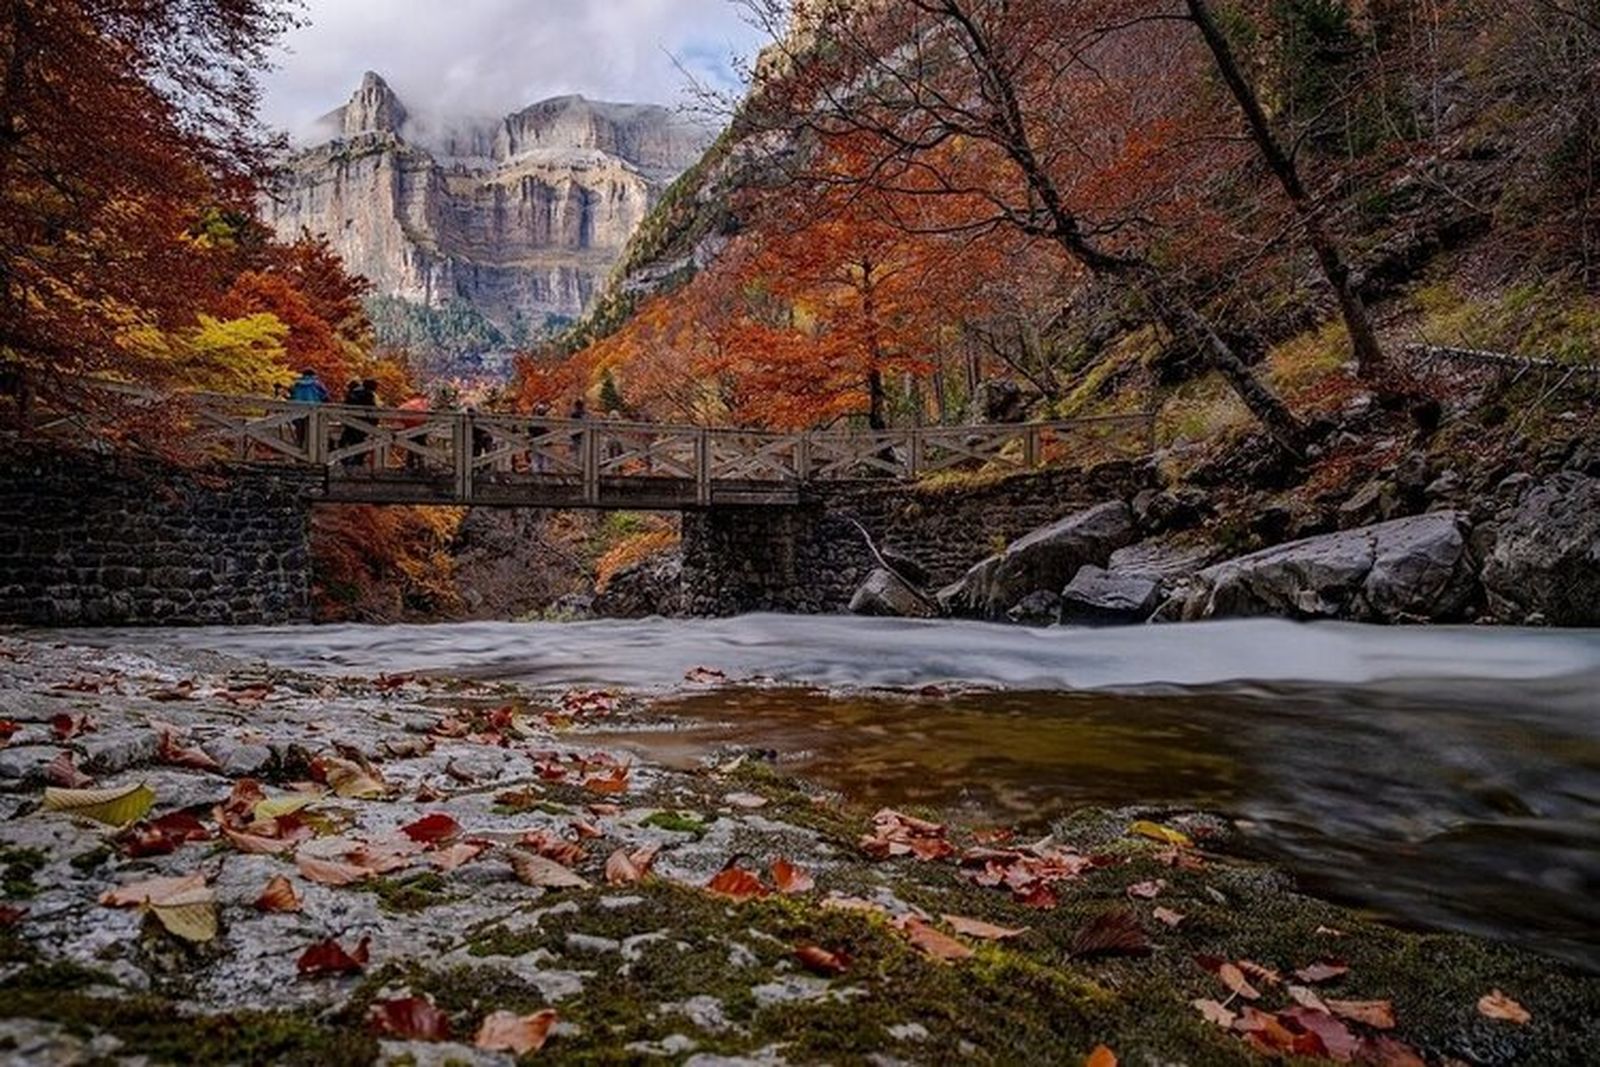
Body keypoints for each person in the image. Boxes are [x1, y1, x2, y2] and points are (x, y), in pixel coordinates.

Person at [286, 369, 329, 449]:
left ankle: (299, 454)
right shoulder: (317, 384)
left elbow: (291, 396)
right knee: (313, 435)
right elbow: (326, 397)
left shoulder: (296, 384)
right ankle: (312, 455)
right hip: (314, 413)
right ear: (313, 375)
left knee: (300, 435)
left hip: (297, 412)